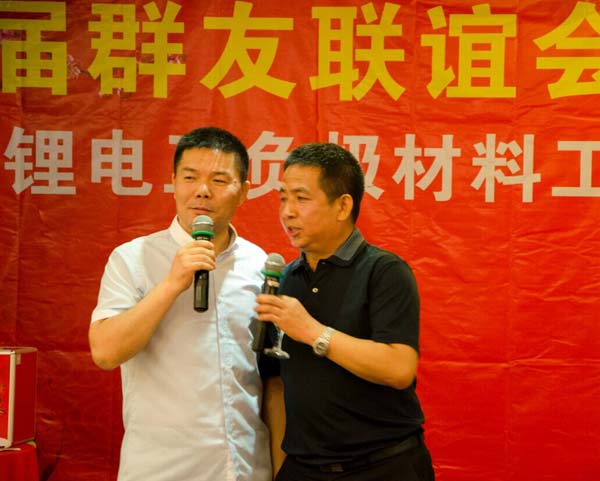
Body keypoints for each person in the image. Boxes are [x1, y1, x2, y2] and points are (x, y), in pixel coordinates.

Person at [89, 127, 272, 481]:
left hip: (244, 468)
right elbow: (105, 352)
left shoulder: (259, 264)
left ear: (244, 191)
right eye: (190, 177)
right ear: (173, 182)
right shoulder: (132, 258)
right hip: (162, 469)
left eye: (219, 180)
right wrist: (171, 284)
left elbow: (270, 376)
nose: (202, 190)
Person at [255, 142, 435, 481]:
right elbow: (275, 383)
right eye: (283, 198)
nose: (287, 211)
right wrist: (281, 466)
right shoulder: (284, 278)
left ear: (342, 206)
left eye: (301, 198)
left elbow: (399, 368)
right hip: (303, 469)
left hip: (383, 467)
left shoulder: (384, 271)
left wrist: (312, 332)